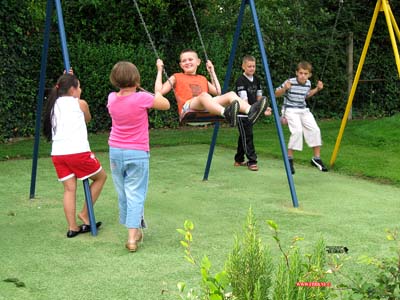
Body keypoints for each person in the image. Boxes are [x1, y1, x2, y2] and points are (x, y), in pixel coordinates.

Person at [108, 61, 170, 252]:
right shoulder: (142, 97)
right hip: (137, 152)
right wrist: (157, 91)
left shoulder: (111, 98)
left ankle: (135, 231)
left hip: (116, 151)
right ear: (136, 79)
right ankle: (132, 238)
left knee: (123, 193)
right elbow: (165, 104)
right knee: (135, 193)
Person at [43, 72, 107, 238]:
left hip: (58, 154)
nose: (81, 89)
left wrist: (66, 76)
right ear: (72, 89)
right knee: (101, 177)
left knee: (69, 189)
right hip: (77, 152)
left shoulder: (53, 104)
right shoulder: (80, 104)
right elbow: (87, 119)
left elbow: (61, 89)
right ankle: (85, 214)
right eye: (79, 86)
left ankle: (72, 227)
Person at [154, 49, 268, 127]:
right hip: (188, 109)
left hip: (206, 107)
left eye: (190, 59)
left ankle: (251, 111)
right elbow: (158, 92)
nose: (187, 62)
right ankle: (226, 113)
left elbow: (218, 92)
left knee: (231, 94)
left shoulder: (203, 78)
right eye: (184, 61)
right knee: (204, 95)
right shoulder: (176, 77)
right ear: (180, 65)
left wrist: (212, 71)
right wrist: (159, 70)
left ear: (198, 62)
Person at [275, 61, 328, 175]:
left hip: (303, 110)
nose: (303, 75)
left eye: (305, 73)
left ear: (309, 75)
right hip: (290, 109)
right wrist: (285, 88)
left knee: (315, 129)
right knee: (297, 131)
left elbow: (306, 95)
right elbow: (276, 93)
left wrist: (317, 89)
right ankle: (289, 158)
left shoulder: (308, 83)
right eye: (300, 73)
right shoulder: (290, 82)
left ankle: (316, 158)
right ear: (296, 73)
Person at [234, 55, 272, 171]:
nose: (252, 68)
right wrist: (253, 110)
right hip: (242, 113)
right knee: (248, 136)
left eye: (253, 66)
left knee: (244, 136)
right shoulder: (240, 80)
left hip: (251, 112)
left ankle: (239, 159)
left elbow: (259, 97)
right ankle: (252, 161)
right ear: (243, 67)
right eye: (249, 66)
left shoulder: (257, 80)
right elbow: (244, 100)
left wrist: (264, 107)